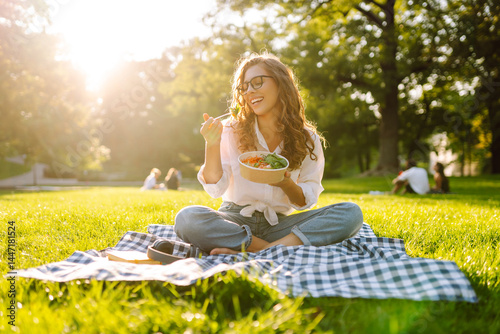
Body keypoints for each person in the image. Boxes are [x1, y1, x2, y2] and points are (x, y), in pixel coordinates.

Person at [172, 53, 363, 257]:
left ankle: (259, 250)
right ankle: (269, 249)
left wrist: (284, 183)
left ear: (281, 83)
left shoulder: (308, 139)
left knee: (351, 213)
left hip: (279, 225)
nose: (249, 92)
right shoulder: (229, 129)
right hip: (234, 221)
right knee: (187, 218)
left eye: (257, 82)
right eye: (244, 87)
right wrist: (212, 144)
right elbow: (215, 188)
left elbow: (305, 202)